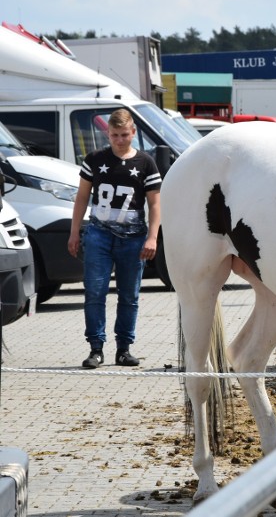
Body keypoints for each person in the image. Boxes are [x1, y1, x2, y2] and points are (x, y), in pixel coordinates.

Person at [68, 109, 162, 369]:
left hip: (133, 238)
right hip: (99, 234)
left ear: (133, 133)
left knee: (129, 295)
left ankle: (124, 348)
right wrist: (75, 231)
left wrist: (153, 237)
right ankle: (96, 348)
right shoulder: (95, 159)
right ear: (106, 134)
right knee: (95, 292)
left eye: (124, 134)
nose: (119, 140)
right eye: (114, 135)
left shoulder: (146, 163)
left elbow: (155, 204)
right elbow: (82, 197)